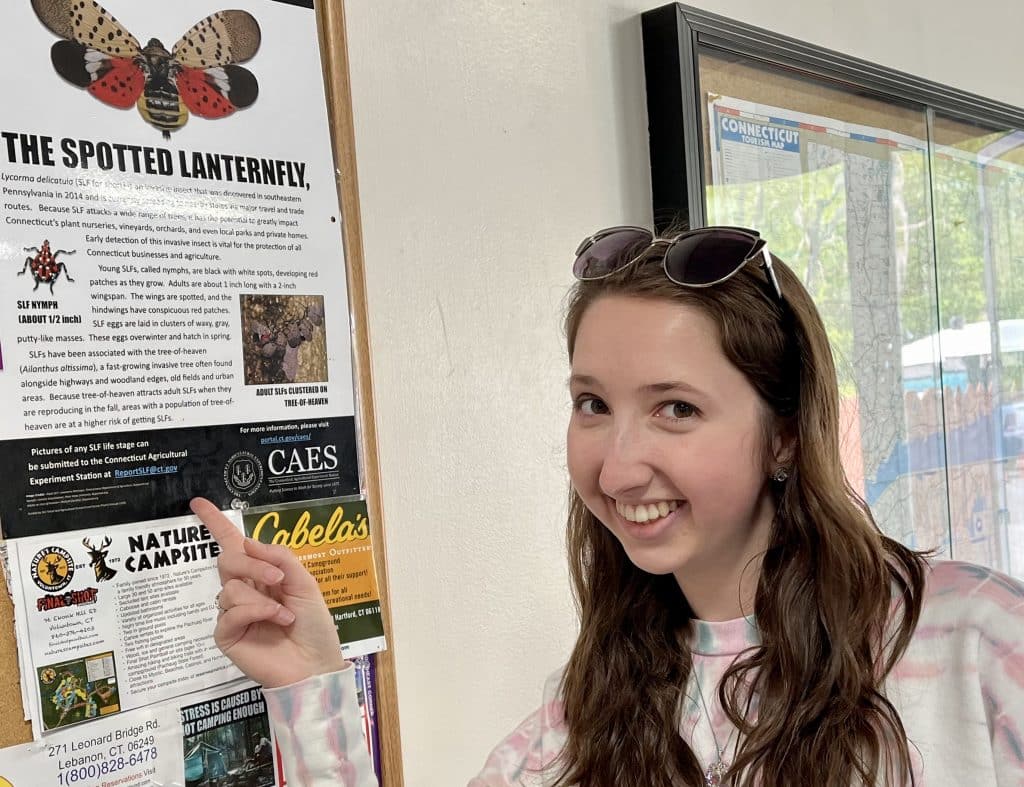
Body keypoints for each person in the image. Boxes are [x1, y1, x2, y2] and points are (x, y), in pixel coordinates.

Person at [192, 225, 1024, 787]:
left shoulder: (972, 638)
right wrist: (310, 683)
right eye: (592, 403)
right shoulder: (590, 707)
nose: (618, 467)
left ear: (781, 435)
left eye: (677, 408)